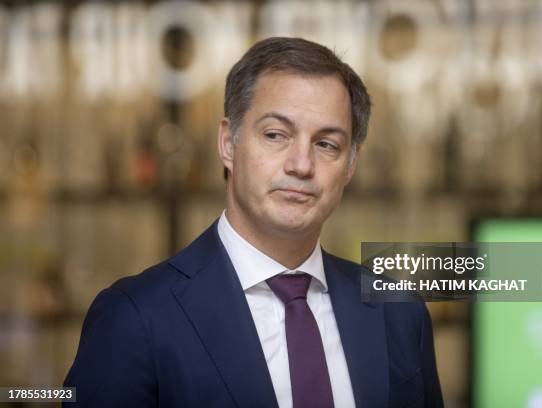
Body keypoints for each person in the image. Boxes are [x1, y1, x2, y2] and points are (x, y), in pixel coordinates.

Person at [64, 37, 443, 408]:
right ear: (229, 143)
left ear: (351, 164)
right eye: (276, 135)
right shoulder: (135, 317)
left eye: (327, 144)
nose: (301, 164)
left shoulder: (400, 312)